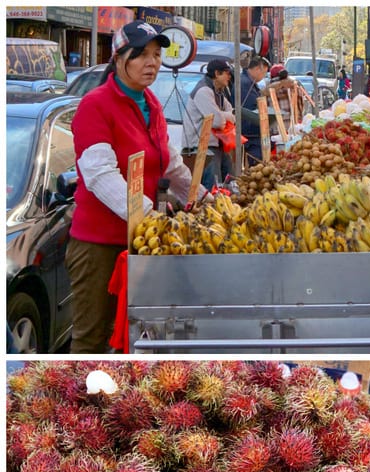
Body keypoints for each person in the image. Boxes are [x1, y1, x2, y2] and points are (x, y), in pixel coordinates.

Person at [68, 20, 204, 353]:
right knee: (92, 337)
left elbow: (169, 164)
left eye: (157, 55)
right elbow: (100, 174)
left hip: (142, 243)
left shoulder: (151, 104)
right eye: (142, 55)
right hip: (99, 246)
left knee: (138, 334)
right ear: (119, 58)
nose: (152, 62)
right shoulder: (95, 105)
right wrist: (147, 215)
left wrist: (202, 197)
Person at [182, 58, 236, 190]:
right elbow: (217, 121)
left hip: (216, 145)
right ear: (217, 74)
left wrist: (223, 115)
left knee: (230, 180)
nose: (229, 77)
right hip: (202, 147)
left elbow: (232, 113)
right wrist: (224, 115)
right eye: (227, 73)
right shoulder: (203, 91)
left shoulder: (219, 92)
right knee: (212, 188)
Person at [239, 56, 269, 165]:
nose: (264, 77)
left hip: (251, 132)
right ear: (257, 69)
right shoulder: (245, 84)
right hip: (249, 133)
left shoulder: (249, 82)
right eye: (264, 73)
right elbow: (250, 109)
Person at [267, 65, 308, 131]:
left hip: (276, 129)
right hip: (296, 127)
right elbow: (302, 106)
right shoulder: (296, 86)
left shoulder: (268, 91)